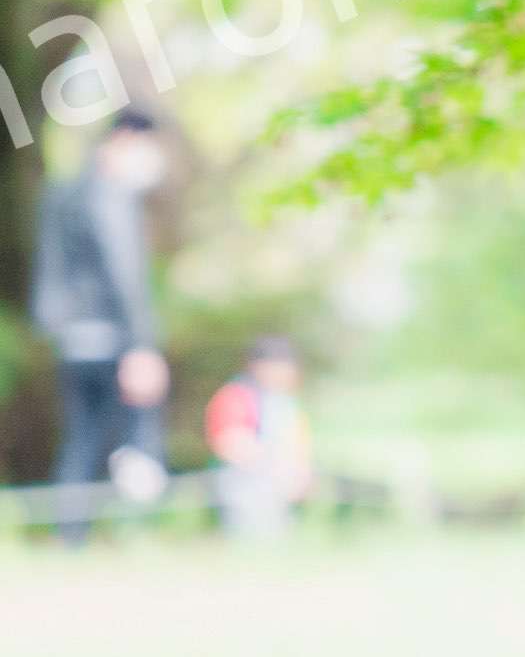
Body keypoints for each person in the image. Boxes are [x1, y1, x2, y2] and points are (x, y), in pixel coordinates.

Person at [31, 106, 172, 535]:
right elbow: (124, 272)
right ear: (126, 139)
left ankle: (70, 534)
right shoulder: (110, 194)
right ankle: (137, 528)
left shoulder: (64, 190)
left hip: (71, 337)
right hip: (111, 336)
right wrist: (143, 346)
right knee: (136, 434)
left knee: (83, 436)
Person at [205, 337, 314, 536]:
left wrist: (299, 471)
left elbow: (298, 444)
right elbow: (230, 443)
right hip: (242, 488)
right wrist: (276, 467)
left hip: (281, 491)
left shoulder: (286, 401)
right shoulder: (236, 395)